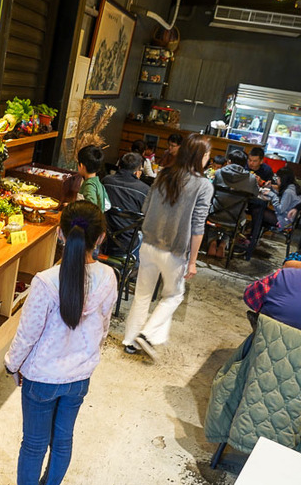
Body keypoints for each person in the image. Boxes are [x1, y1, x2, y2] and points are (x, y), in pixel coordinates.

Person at [4, 201, 117, 485]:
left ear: (60, 234)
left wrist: (12, 364)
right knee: (63, 439)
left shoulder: (45, 281)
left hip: (41, 378)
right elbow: (105, 327)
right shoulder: (108, 277)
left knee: (34, 445)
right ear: (100, 238)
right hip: (79, 376)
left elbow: (27, 335)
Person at [123, 134, 214, 356]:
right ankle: (147, 334)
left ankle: (130, 342)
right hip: (174, 251)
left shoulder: (163, 174)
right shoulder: (203, 185)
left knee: (143, 294)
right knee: (174, 295)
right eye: (208, 155)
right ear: (200, 156)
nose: (209, 159)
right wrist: (193, 261)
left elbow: (145, 208)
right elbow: (197, 226)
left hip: (148, 244)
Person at [102, 152, 149, 257]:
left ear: (119, 166)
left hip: (104, 239)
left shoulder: (106, 181)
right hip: (128, 244)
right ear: (137, 172)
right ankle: (133, 268)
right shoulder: (144, 190)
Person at [76, 145, 110, 212]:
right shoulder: (98, 183)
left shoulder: (89, 185)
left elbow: (91, 208)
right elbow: (107, 205)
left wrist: (73, 207)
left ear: (82, 165)